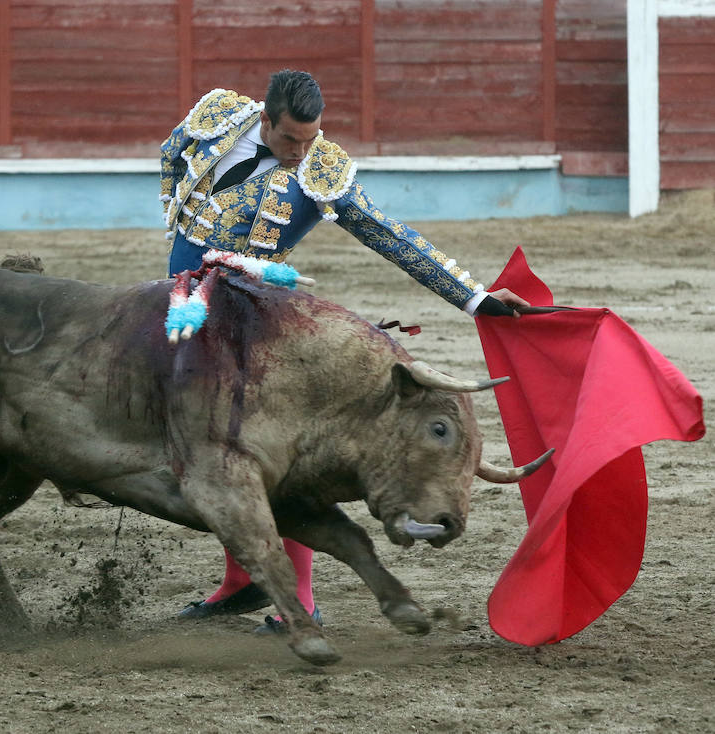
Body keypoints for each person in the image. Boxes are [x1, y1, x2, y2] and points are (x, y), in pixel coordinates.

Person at [160, 69, 527, 633]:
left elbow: (389, 234)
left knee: (264, 454)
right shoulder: (218, 115)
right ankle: (242, 581)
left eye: (310, 139)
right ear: (264, 118)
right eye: (290, 140)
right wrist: (176, 230)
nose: (300, 153)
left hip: (256, 323)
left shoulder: (322, 171)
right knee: (210, 445)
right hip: (185, 304)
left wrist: (474, 297)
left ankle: (300, 599)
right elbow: (172, 154)